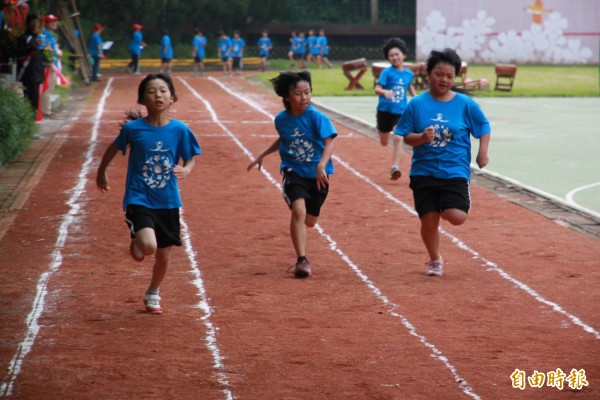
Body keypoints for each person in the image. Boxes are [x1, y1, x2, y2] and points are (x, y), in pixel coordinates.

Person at [96, 73, 201, 314]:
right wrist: (101, 172)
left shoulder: (180, 130)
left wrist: (186, 168)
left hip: (168, 200)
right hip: (138, 197)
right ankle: (138, 236)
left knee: (163, 256)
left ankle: (153, 292)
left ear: (172, 97)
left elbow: (191, 158)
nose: (158, 95)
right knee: (150, 246)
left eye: (163, 91)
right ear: (143, 99)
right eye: (152, 91)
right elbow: (114, 148)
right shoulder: (133, 129)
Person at [394, 48, 491, 277]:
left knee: (457, 217)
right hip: (424, 171)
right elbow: (406, 136)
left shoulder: (465, 104)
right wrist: (421, 137)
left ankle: (446, 205)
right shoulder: (416, 104)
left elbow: (484, 127)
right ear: (428, 73)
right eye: (439, 74)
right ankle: (435, 259)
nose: (444, 80)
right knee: (428, 221)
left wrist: (482, 152)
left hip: (454, 170)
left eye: (449, 76)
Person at [247, 71, 336, 278]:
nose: (304, 97)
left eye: (307, 92)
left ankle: (303, 230)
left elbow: (330, 142)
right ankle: (302, 260)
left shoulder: (317, 117)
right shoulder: (281, 120)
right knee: (298, 211)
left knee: (310, 221)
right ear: (287, 97)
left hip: (317, 175)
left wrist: (322, 164)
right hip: (292, 170)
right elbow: (284, 139)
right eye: (298, 93)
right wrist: (263, 154)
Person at [375, 37, 416, 180]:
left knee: (398, 137)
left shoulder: (408, 73)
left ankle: (395, 167)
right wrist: (384, 92)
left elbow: (410, 87)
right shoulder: (387, 72)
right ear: (388, 58)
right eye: (391, 55)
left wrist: (417, 100)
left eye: (397, 54)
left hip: (400, 111)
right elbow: (377, 88)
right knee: (384, 141)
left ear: (404, 55)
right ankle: (382, 131)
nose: (394, 57)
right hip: (384, 111)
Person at [17, 13, 45, 112]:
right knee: (30, 98)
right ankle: (29, 120)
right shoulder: (25, 38)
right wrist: (33, 47)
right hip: (29, 72)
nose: (36, 27)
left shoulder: (38, 38)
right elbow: (20, 53)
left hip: (37, 72)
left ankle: (32, 119)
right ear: (29, 25)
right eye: (33, 24)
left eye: (37, 24)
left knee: (35, 99)